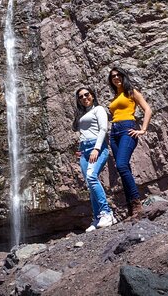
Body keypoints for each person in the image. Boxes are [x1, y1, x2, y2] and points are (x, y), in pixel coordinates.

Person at [107, 67, 152, 220]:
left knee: (121, 165)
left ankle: (136, 204)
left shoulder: (131, 91)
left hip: (128, 129)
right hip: (114, 132)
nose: (116, 78)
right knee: (123, 169)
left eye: (119, 75)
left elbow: (147, 109)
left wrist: (143, 129)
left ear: (123, 76)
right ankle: (130, 208)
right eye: (113, 76)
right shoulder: (115, 96)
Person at [73, 86, 116, 232]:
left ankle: (107, 213)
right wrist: (81, 150)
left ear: (92, 95)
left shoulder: (99, 109)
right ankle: (97, 217)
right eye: (81, 96)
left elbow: (103, 129)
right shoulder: (82, 114)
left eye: (87, 94)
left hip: (97, 148)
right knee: (91, 186)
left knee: (92, 177)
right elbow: (84, 133)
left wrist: (96, 149)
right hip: (84, 150)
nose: (84, 98)